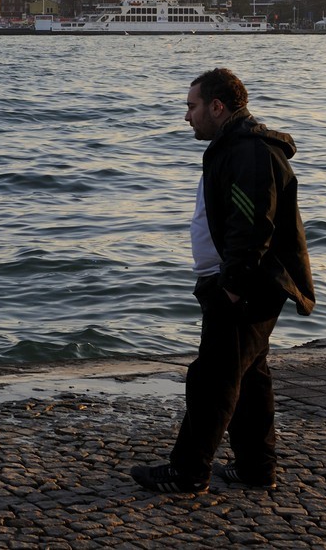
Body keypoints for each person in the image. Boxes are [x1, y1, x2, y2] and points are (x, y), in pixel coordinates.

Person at [131, 67, 314, 494]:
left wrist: (232, 284)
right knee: (249, 377)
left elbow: (252, 224)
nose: (187, 116)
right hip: (248, 282)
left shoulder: (247, 152)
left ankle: (188, 472)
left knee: (211, 379)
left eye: (192, 107)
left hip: (245, 285)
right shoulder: (234, 146)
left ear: (217, 107)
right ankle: (255, 468)